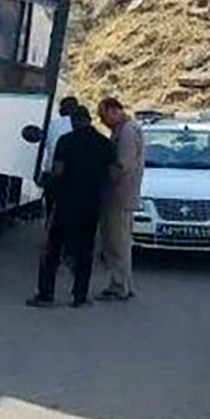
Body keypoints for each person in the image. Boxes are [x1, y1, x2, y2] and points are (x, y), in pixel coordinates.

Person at [28, 106, 115, 308]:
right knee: (85, 251)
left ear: (73, 121)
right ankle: (80, 297)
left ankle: (46, 295)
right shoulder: (104, 143)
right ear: (89, 119)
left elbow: (58, 170)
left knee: (52, 250)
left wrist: (47, 183)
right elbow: (113, 174)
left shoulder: (66, 141)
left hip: (65, 202)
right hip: (92, 204)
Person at [97, 97, 145, 301]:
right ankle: (125, 283)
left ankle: (119, 286)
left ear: (113, 110)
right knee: (121, 242)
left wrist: (103, 175)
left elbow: (123, 165)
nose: (102, 121)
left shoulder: (126, 132)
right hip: (122, 195)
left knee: (116, 242)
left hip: (119, 196)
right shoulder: (126, 129)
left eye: (103, 115)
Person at [41, 96, 79, 217]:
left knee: (51, 212)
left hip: (53, 175)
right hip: (73, 177)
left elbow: (46, 147)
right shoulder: (79, 126)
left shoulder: (51, 125)